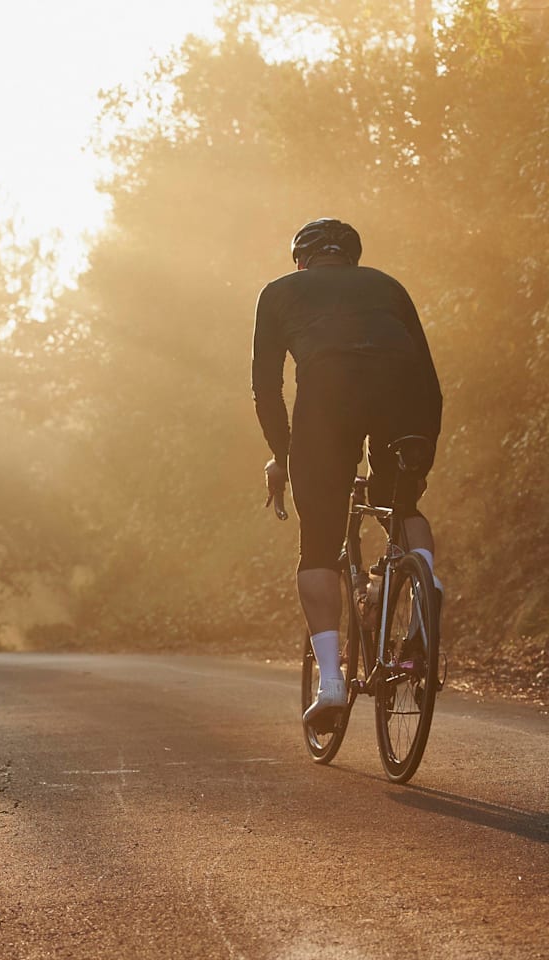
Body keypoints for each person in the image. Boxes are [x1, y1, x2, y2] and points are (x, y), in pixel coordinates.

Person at [251, 218, 443, 731]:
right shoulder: (387, 286)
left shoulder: (278, 292)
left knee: (318, 545)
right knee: (402, 507)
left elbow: (266, 390)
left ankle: (332, 684)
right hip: (404, 397)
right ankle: (427, 587)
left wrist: (282, 455)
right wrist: (420, 453)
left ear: (301, 261)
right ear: (352, 259)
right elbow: (427, 375)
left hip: (328, 400)